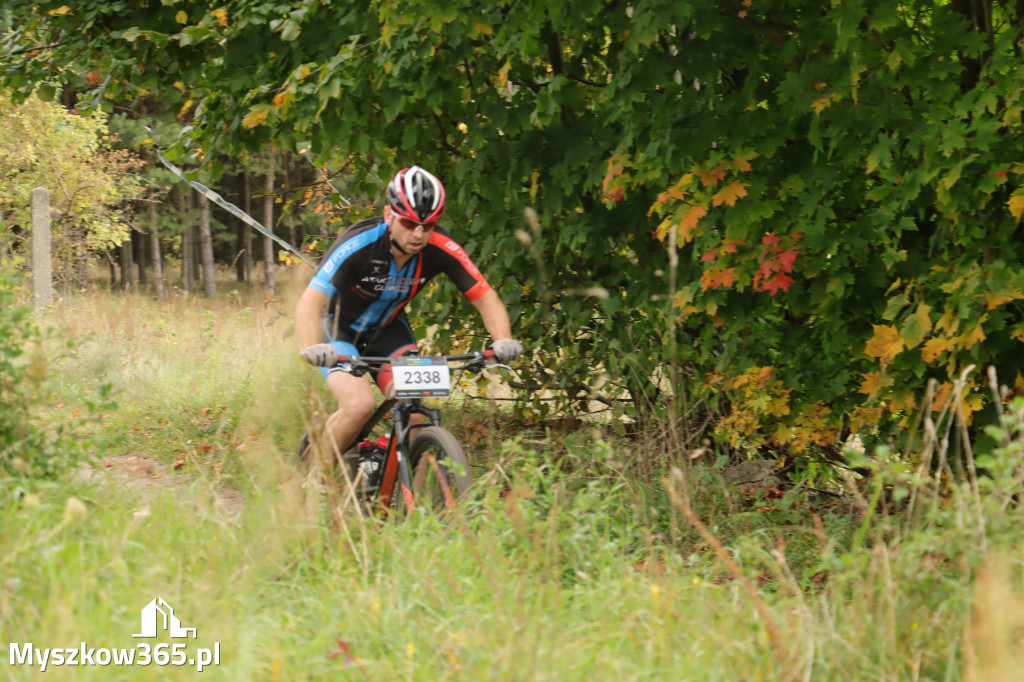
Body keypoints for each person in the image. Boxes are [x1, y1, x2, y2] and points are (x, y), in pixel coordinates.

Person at [295, 165, 523, 464]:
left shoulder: (441, 247)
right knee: (358, 405)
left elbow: (485, 297)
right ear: (389, 215)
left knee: (417, 416)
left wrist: (502, 340)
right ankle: (315, 481)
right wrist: (309, 347)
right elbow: (310, 301)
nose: (419, 233)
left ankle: (401, 496)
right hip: (338, 329)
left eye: (428, 226)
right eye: (409, 222)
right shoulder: (359, 243)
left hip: (388, 331)